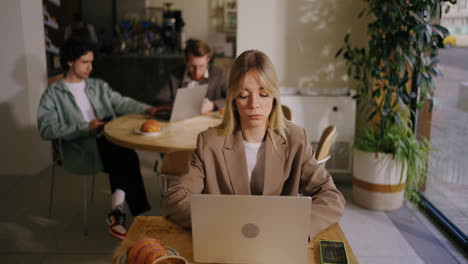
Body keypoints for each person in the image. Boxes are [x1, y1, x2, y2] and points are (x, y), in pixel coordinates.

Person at [163, 50, 345, 239]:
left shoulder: (296, 139)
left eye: (264, 94)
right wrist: (216, 223)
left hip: (278, 242)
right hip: (226, 241)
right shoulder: (209, 142)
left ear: (274, 97)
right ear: (233, 100)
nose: (254, 104)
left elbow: (331, 197)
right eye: (243, 95)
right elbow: (174, 198)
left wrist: (298, 229)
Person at [37, 39, 159, 240]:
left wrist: (146, 108)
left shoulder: (97, 85)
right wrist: (85, 127)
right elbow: (46, 129)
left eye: (91, 62)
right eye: (85, 62)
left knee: (123, 153)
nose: (90, 67)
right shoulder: (52, 94)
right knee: (125, 155)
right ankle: (139, 216)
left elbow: (121, 102)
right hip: (78, 147)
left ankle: (118, 213)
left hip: (106, 139)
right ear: (70, 62)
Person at [153, 38, 227, 114]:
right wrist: (176, 106)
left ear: (208, 60)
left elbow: (231, 98)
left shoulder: (218, 73)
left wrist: (213, 105)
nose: (197, 72)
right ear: (185, 61)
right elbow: (159, 100)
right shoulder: (174, 75)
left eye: (201, 66)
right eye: (193, 66)